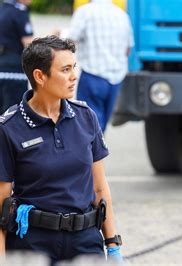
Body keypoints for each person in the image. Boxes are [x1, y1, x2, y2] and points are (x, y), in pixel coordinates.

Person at [0, 36, 123, 264]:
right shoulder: (8, 128)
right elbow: (0, 204)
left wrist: (113, 245)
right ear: (40, 76)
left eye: (74, 67)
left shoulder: (86, 117)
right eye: (65, 70)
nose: (74, 76)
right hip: (32, 243)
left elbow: (99, 189)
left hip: (86, 240)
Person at [66, 0, 134, 132]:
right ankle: (97, 151)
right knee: (101, 126)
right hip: (116, 79)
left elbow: (71, 40)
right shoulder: (122, 15)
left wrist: (58, 36)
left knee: (88, 124)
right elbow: (128, 49)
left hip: (93, 75)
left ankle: (89, 152)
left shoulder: (85, 12)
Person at [0, 0, 33, 114]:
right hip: (14, 70)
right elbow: (29, 45)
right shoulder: (19, 12)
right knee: (13, 113)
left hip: (2, 65)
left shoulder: (2, 9)